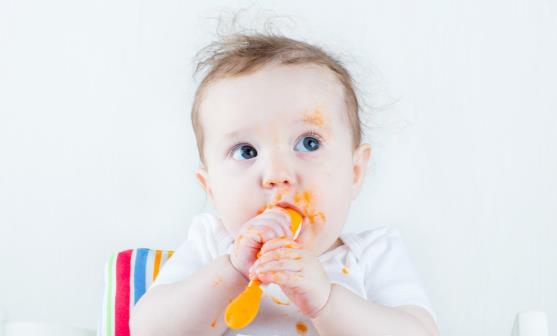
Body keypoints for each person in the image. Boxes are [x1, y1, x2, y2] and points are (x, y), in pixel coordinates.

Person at [130, 32, 439, 336]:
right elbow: (148, 329)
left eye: (308, 143)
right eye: (246, 152)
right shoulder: (211, 246)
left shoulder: (372, 255)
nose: (278, 173)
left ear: (355, 172)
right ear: (210, 188)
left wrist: (326, 301)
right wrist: (233, 272)